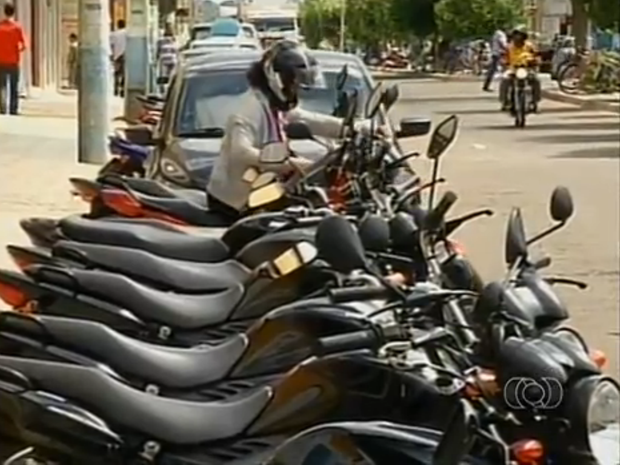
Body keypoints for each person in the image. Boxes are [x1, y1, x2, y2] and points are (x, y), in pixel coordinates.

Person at [206, 40, 378, 221]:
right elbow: (240, 152)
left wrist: (356, 128)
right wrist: (291, 163)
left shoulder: (274, 106)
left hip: (263, 196)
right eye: (295, 85)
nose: (297, 91)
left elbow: (309, 120)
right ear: (278, 80)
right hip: (235, 205)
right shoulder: (250, 109)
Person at [499, 26, 541, 112]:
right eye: (516, 36)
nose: (518, 38)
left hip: (527, 69)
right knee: (505, 80)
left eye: (520, 35)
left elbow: (537, 56)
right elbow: (504, 57)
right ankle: (505, 102)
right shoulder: (509, 47)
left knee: (536, 80)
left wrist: (536, 61)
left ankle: (535, 102)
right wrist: (504, 62)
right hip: (512, 69)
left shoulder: (529, 46)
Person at [0, 2, 26, 115]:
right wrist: (17, 51)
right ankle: (13, 109)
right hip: (14, 61)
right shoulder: (17, 27)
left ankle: (2, 108)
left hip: (1, 61)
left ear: (4, 12)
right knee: (14, 86)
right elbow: (24, 45)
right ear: (13, 12)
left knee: (2, 86)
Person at [483, 26, 508, 92]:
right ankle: (505, 87)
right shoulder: (500, 34)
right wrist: (508, 49)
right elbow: (503, 44)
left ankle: (486, 85)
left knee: (493, 70)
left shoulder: (496, 33)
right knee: (504, 69)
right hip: (499, 54)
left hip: (496, 53)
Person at [110, 19, 126, 97]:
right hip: (126, 55)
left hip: (117, 56)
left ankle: (115, 89)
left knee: (116, 73)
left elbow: (111, 45)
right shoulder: (127, 33)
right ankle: (123, 90)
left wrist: (112, 55)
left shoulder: (114, 34)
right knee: (124, 74)